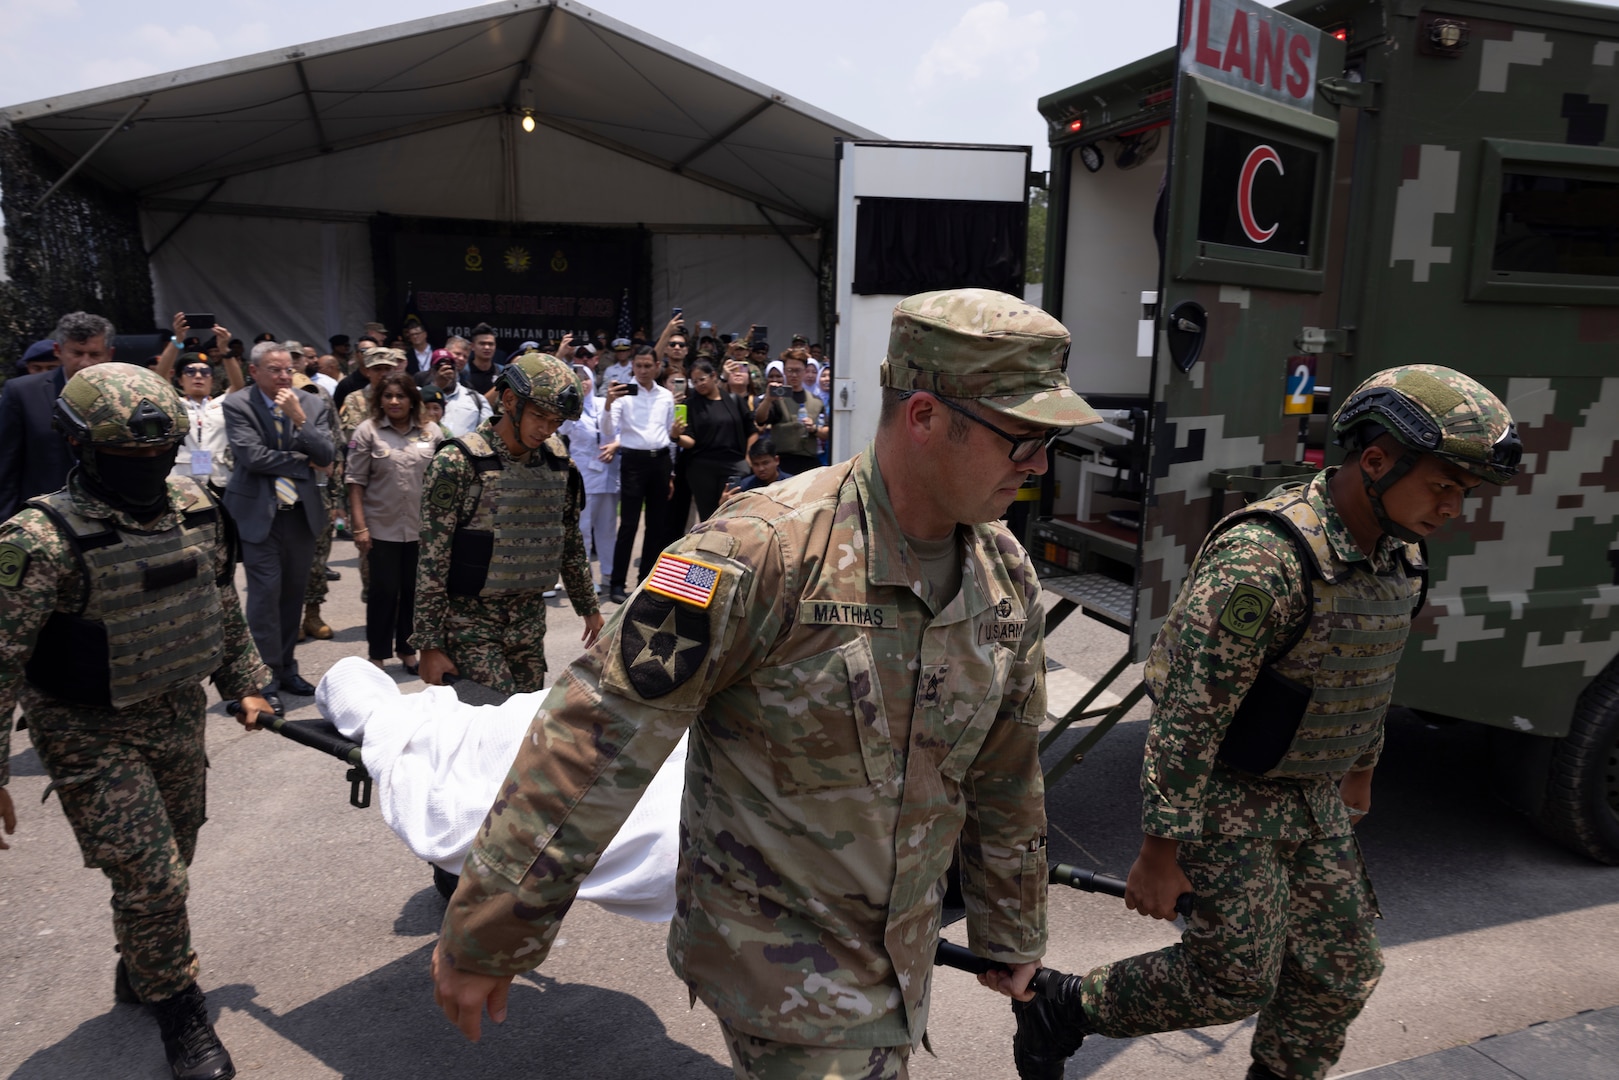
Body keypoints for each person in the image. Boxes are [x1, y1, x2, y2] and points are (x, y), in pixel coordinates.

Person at [430, 288, 1100, 1080]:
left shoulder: (1001, 569)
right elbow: (595, 738)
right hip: (782, 978)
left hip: (898, 962)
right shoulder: (758, 550)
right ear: (924, 415)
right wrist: (491, 932)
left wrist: (1010, 926)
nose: (1038, 465)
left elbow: (1003, 763)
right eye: (1021, 439)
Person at [995, 365, 1522, 1080]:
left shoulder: (1398, 553)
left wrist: (1360, 770)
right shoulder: (1266, 560)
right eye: (1441, 486)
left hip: (1308, 796)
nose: (1453, 507)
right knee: (1235, 976)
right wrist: (1159, 852)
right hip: (1225, 793)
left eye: (1463, 492)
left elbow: (1367, 673)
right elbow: (1187, 713)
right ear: (1374, 461)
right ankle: (1065, 1006)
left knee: (1339, 968)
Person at [0, 363, 275, 1080]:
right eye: (129, 457)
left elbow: (218, 603)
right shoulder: (39, 539)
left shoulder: (193, 508)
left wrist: (243, 684)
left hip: (174, 711)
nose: (149, 468)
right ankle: (183, 1020)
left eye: (160, 453)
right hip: (87, 730)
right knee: (155, 879)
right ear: (81, 448)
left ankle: (142, 961)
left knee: (173, 857)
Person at [415, 353, 604, 694]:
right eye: (539, 416)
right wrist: (428, 644)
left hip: (529, 625)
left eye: (556, 421)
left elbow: (570, 543)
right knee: (489, 724)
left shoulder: (558, 466)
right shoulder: (458, 464)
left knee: (521, 728)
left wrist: (588, 608)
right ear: (509, 400)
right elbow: (432, 559)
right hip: (469, 626)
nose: (546, 429)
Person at [222, 341, 336, 698]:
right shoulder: (238, 404)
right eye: (275, 370)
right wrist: (304, 462)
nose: (284, 376)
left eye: (289, 369)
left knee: (292, 595)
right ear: (254, 371)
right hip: (258, 515)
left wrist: (299, 419)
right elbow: (252, 456)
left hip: (300, 515)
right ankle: (262, 677)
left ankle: (287, 668)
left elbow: (327, 453)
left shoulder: (313, 403)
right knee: (264, 596)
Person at [346, 373, 440, 674]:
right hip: (381, 529)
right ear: (380, 400)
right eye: (388, 396)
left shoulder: (431, 433)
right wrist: (359, 527)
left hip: (421, 530)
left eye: (401, 396)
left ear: (413, 399)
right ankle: (377, 654)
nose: (395, 402)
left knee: (414, 592)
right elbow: (355, 483)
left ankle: (407, 650)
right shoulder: (367, 432)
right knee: (383, 592)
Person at [0, 311, 117, 520]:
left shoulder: (124, 396)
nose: (85, 363)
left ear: (110, 354)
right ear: (58, 351)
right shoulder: (22, 394)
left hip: (110, 517)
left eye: (94, 354)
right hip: (43, 520)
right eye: (77, 353)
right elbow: (5, 468)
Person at [600, 346, 675, 604]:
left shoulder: (666, 395)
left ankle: (648, 581)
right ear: (632, 366)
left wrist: (671, 472)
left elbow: (667, 432)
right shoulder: (622, 394)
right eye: (639, 366)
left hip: (660, 461)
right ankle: (617, 584)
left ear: (656, 366)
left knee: (657, 525)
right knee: (629, 525)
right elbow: (608, 430)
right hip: (633, 461)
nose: (643, 371)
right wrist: (609, 402)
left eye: (648, 366)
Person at [558, 364, 618, 595]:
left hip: (609, 475)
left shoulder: (607, 403)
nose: (582, 382)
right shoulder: (572, 410)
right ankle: (586, 578)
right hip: (583, 478)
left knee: (607, 529)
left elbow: (622, 430)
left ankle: (609, 573)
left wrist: (616, 444)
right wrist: (570, 407)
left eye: (585, 378)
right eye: (576, 379)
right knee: (582, 530)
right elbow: (562, 428)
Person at [671, 358, 755, 522]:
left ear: (713, 376)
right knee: (709, 517)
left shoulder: (734, 400)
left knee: (734, 513)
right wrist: (676, 436)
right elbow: (690, 440)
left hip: (733, 465)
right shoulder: (691, 404)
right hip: (702, 468)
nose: (699, 384)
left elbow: (752, 431)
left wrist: (747, 459)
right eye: (694, 382)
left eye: (702, 379)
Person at [295, 370, 344, 642]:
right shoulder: (272, 407)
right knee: (289, 562)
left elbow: (334, 451)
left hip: (320, 492)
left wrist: (337, 499)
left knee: (317, 559)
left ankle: (312, 614)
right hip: (286, 495)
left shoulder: (321, 398)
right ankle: (290, 619)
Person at [753, 352, 827, 477]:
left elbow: (827, 432)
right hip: (783, 463)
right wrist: (768, 399)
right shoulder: (776, 398)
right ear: (784, 372)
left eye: (798, 370)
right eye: (789, 370)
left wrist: (814, 429)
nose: (793, 375)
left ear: (804, 371)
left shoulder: (816, 401)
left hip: (809, 461)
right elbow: (760, 419)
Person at [428, 352, 492, 436]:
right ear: (432, 372)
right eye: (441, 369)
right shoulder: (421, 397)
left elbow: (488, 434)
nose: (447, 373)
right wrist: (438, 386)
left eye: (451, 368)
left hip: (464, 448)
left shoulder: (476, 398)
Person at [461, 323, 504, 396]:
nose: (487, 347)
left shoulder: (502, 372)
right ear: (472, 346)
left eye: (490, 344)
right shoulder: (463, 373)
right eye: (482, 344)